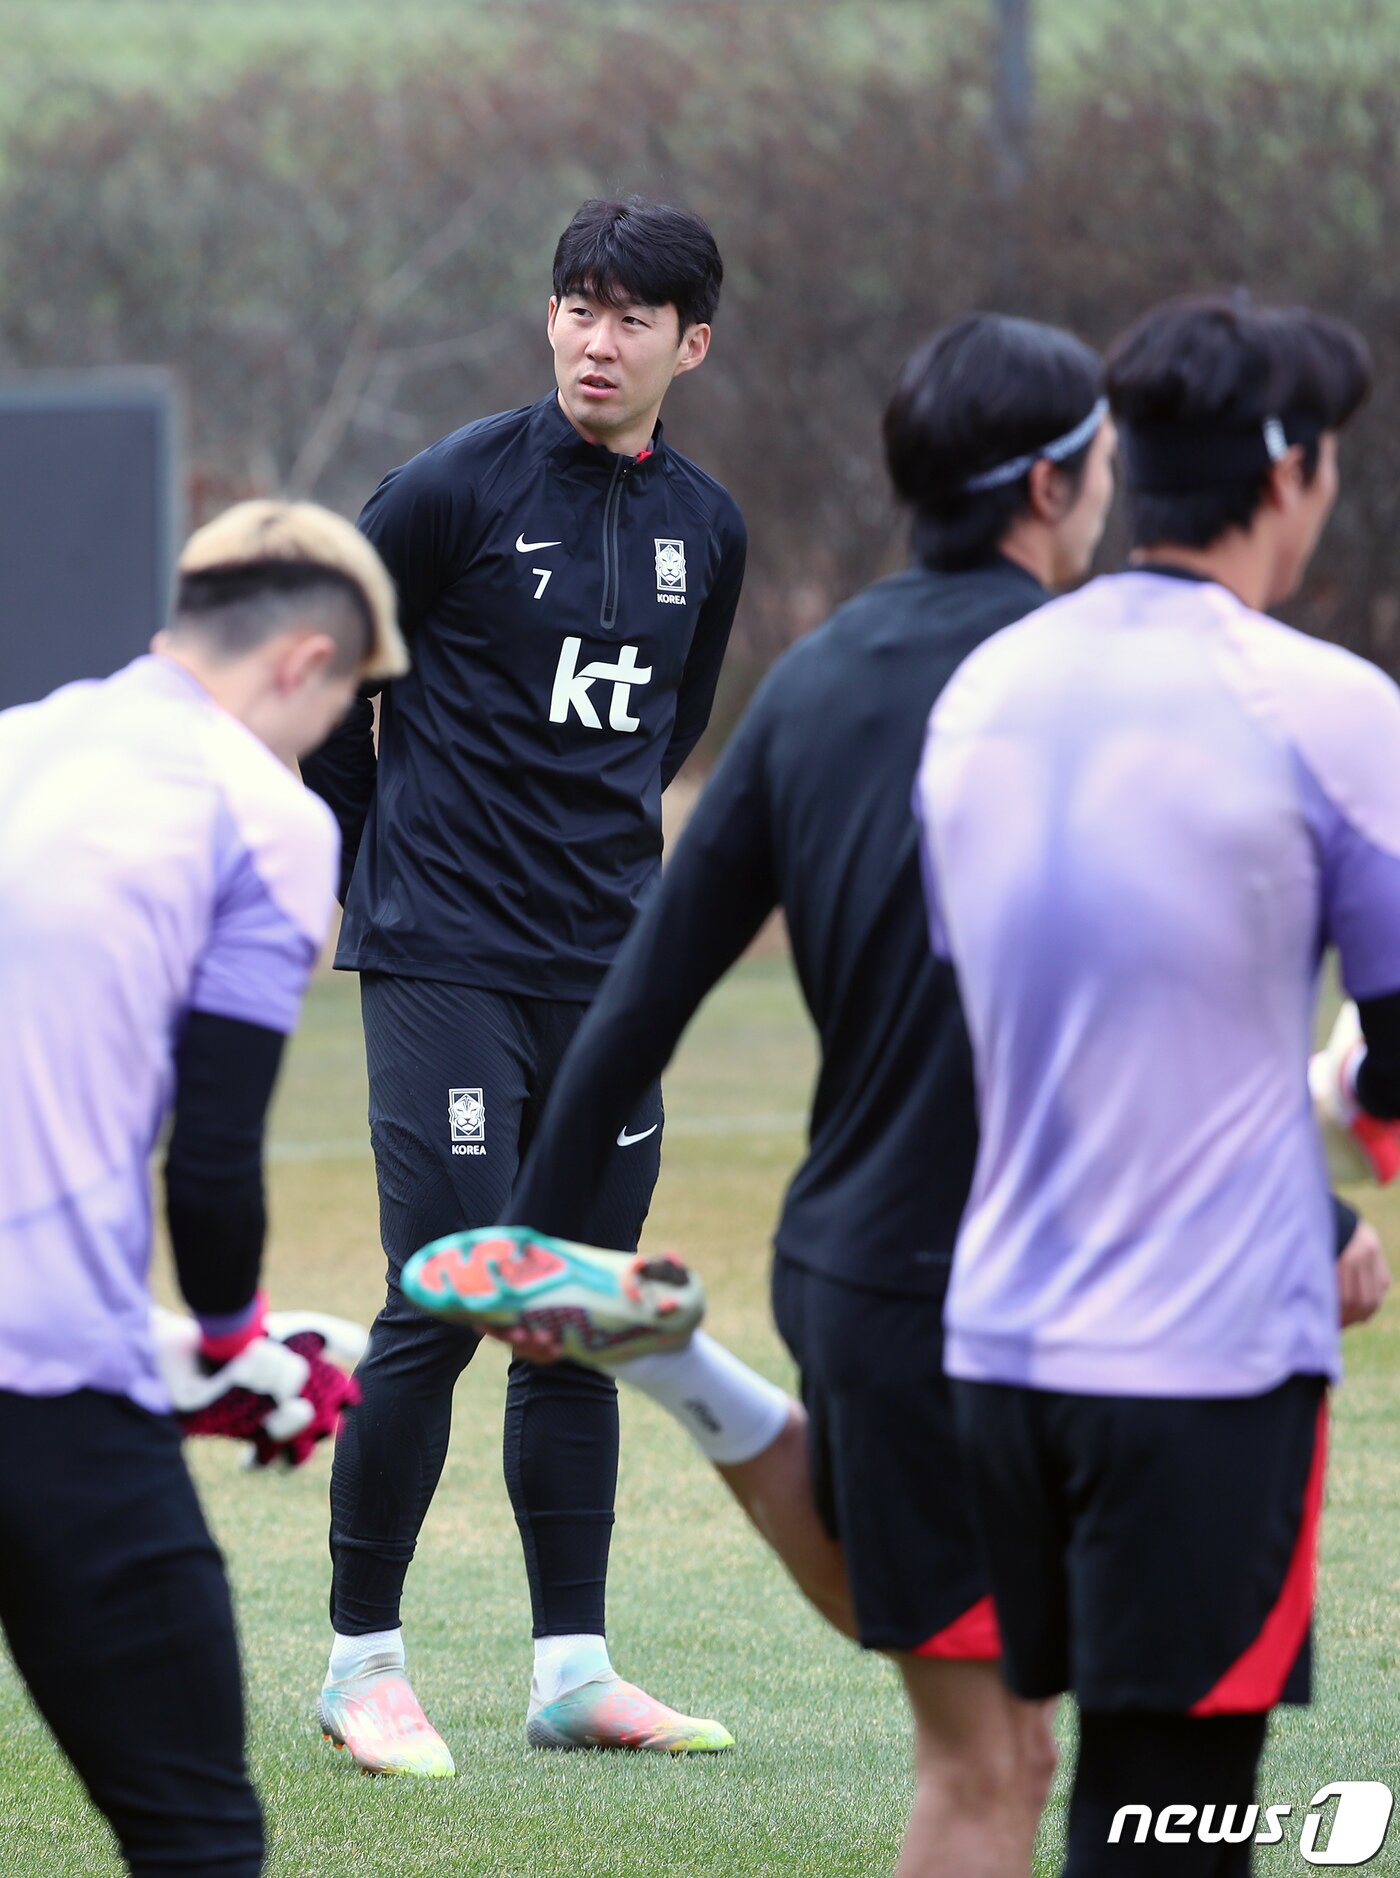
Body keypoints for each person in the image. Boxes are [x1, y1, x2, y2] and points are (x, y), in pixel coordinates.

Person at [407, 314, 1113, 1874]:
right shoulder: (1114, 683)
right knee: (1038, 1759)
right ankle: (662, 1400)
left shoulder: (813, 682)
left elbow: (641, 995)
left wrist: (534, 1239)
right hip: (1066, 1264)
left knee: (982, 1730)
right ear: (1061, 486)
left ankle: (697, 1379)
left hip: (852, 1258)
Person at [913, 295, 1393, 1876]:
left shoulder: (982, 692)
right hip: (1205, 1367)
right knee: (1172, 1817)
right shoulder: (1329, 707)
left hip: (1002, 1353)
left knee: (1093, 1791)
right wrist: (1344, 1112)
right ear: (1297, 474)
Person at [301, 195, 746, 1771]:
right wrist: (381, 857)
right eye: (577, 303)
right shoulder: (448, 490)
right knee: (446, 1285)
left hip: (604, 971)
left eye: (633, 317)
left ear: (691, 343)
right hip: (445, 955)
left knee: (572, 1312)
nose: (596, 337)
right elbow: (317, 677)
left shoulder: (711, 526)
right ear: (548, 316)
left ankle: (572, 1668)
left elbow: (667, 729)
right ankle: (363, 1663)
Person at [0, 500, 406, 1877]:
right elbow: (215, 1160)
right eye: (351, 702)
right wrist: (232, 1338)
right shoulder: (269, 817)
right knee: (200, 1837)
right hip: (44, 1387)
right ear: (302, 661)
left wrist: (164, 1350)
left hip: (65, 1345)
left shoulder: (18, 740)